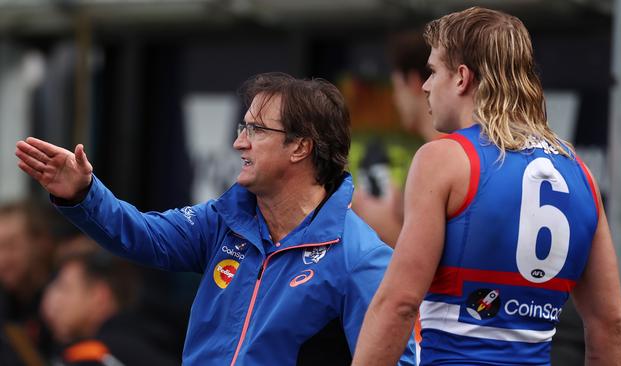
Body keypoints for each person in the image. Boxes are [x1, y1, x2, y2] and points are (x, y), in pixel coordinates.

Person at [15, 72, 416, 366]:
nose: (238, 141)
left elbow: (397, 359)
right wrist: (84, 192)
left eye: (255, 129)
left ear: (300, 147)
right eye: (243, 127)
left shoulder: (360, 256)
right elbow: (141, 234)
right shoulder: (224, 219)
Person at [352, 7, 621, 366]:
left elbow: (398, 304)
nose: (425, 85)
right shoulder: (579, 172)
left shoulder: (443, 159)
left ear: (462, 78)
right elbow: (611, 325)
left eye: (434, 71)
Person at [353, 29, 440, 247]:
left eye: (396, 87)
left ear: (412, 82)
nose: (394, 98)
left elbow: (429, 259)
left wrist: (376, 218)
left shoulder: (438, 158)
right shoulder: (442, 152)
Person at [41, 248, 177, 366]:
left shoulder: (95, 357)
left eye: (64, 288)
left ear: (99, 297)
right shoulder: (154, 343)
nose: (52, 300)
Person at [0, 201, 54, 365]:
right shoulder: (5, 301)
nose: (2, 259)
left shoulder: (65, 301)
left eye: (12, 246)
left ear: (40, 243)